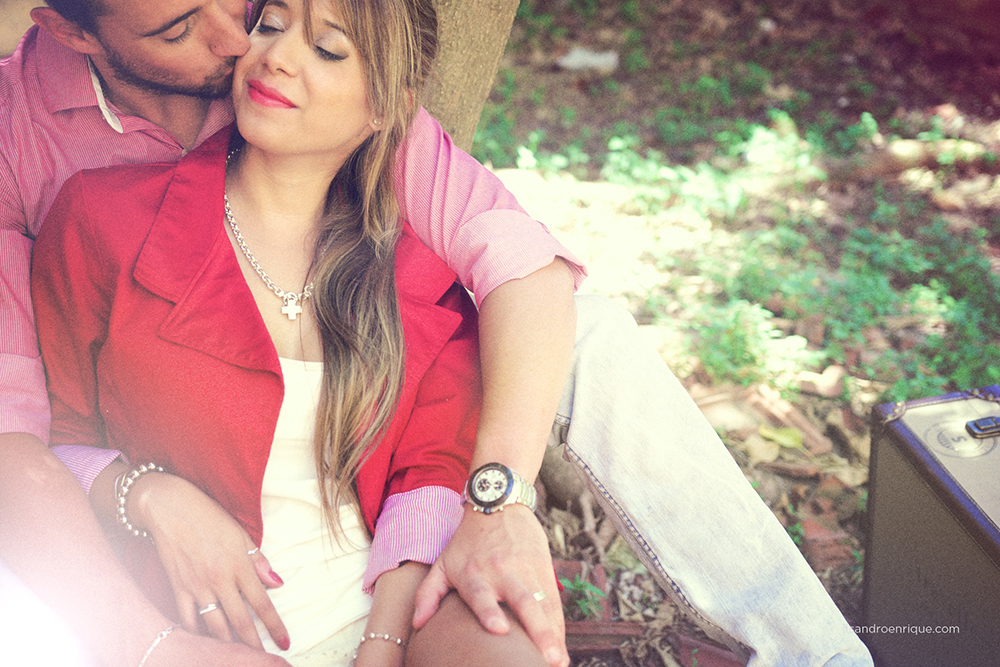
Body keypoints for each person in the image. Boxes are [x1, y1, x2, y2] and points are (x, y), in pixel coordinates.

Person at [1, 1, 873, 666]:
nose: (241, 44)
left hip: (360, 423)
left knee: (585, 333)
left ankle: (817, 649)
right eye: (185, 27)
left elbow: (522, 274)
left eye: (244, 5)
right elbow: (22, 437)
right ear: (75, 38)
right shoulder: (31, 152)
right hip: (136, 432)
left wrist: (495, 502)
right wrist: (142, 533)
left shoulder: (333, 108)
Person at [32, 0, 549, 665]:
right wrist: (148, 492)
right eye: (270, 26)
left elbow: (428, 477)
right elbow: (50, 442)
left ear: (386, 108)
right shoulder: (101, 219)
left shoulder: (425, 272)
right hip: (194, 631)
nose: (276, 57)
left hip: (388, 619)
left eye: (328, 50)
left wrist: (383, 645)